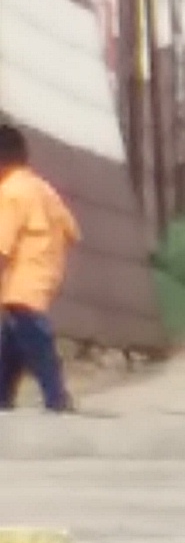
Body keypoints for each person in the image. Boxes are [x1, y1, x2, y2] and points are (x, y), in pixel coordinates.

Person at [0, 121, 77, 411]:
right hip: (45, 275)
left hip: (22, 279)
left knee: (34, 337)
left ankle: (56, 396)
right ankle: (2, 395)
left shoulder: (9, 192)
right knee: (12, 341)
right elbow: (71, 231)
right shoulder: (42, 188)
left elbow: (2, 245)